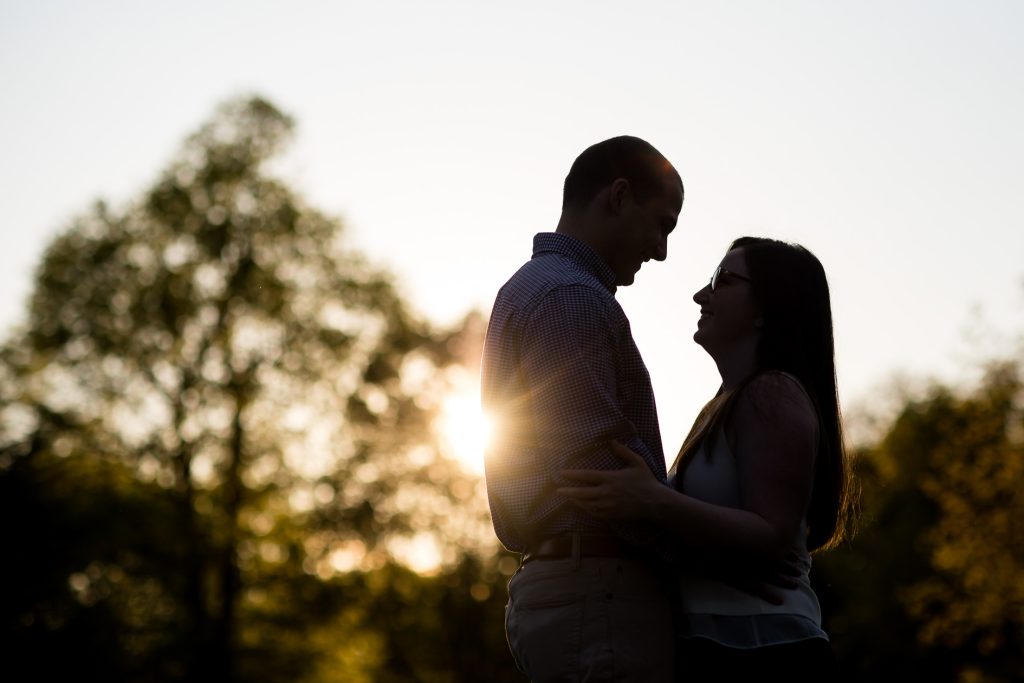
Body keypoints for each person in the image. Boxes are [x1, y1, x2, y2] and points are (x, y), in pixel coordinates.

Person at [558, 237, 856, 681]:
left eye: (723, 280)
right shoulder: (723, 404)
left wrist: (652, 500)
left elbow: (772, 533)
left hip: (767, 650)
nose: (701, 294)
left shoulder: (773, 394)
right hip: (715, 647)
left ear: (768, 306)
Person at [480, 135, 685, 681]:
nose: (661, 250)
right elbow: (597, 467)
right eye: (661, 225)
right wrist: (697, 543)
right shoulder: (570, 297)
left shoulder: (536, 287)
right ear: (618, 196)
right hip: (600, 588)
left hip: (579, 586)